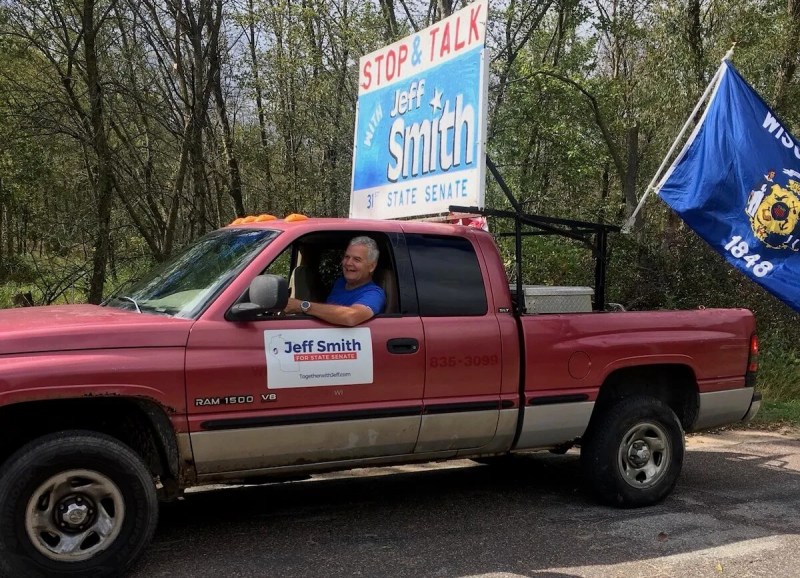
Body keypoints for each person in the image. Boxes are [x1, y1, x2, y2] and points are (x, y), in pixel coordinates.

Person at [284, 236, 386, 326]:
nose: (348, 263)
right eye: (347, 257)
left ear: (371, 266)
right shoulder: (340, 283)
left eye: (357, 259)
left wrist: (302, 306)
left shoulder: (374, 294)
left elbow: (351, 317)